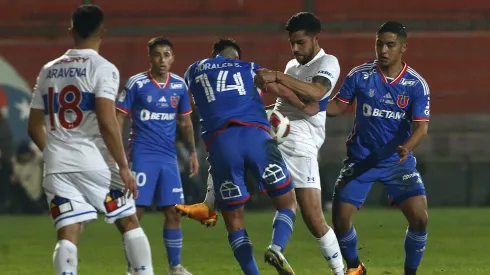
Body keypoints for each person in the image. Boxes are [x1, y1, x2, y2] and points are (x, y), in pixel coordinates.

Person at [177, 12, 345, 275]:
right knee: (291, 205)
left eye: (300, 42)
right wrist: (285, 103)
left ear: (315, 38)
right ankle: (281, 249)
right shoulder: (273, 67)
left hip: (293, 140)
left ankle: (209, 204)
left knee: (307, 216)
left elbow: (316, 92)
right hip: (268, 137)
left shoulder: (328, 61)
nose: (295, 48)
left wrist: (280, 82)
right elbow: (282, 93)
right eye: (292, 43)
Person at [27, 5, 154, 275]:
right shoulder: (103, 68)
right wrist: (122, 165)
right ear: (102, 31)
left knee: (67, 230)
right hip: (95, 162)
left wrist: (54, 152)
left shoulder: (48, 70)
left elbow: (34, 126)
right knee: (128, 220)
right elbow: (108, 121)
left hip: (57, 165)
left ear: (71, 31)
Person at [184, 38, 310, 275]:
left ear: (214, 55)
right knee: (287, 202)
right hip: (256, 138)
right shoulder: (249, 67)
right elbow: (279, 89)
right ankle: (276, 248)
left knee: (233, 221)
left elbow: (192, 101)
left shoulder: (194, 69)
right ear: (236, 58)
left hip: (221, 144)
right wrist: (304, 105)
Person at [326, 21, 430, 275]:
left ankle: (410, 273)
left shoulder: (416, 85)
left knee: (420, 219)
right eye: (379, 44)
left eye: (390, 45)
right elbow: (336, 108)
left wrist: (407, 147)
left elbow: (421, 128)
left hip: (397, 161)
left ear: (403, 47)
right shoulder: (360, 75)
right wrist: (309, 103)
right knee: (339, 220)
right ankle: (354, 267)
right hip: (361, 160)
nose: (383, 50)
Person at [116, 37, 197, 275]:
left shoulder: (179, 85)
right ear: (149, 57)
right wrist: (120, 155)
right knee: (135, 213)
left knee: (174, 212)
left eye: (167, 54)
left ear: (173, 58)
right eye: (157, 55)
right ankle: (133, 267)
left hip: (168, 158)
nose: (162, 60)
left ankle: (175, 267)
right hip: (141, 156)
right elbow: (119, 116)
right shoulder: (137, 84)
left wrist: (192, 152)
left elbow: (185, 121)